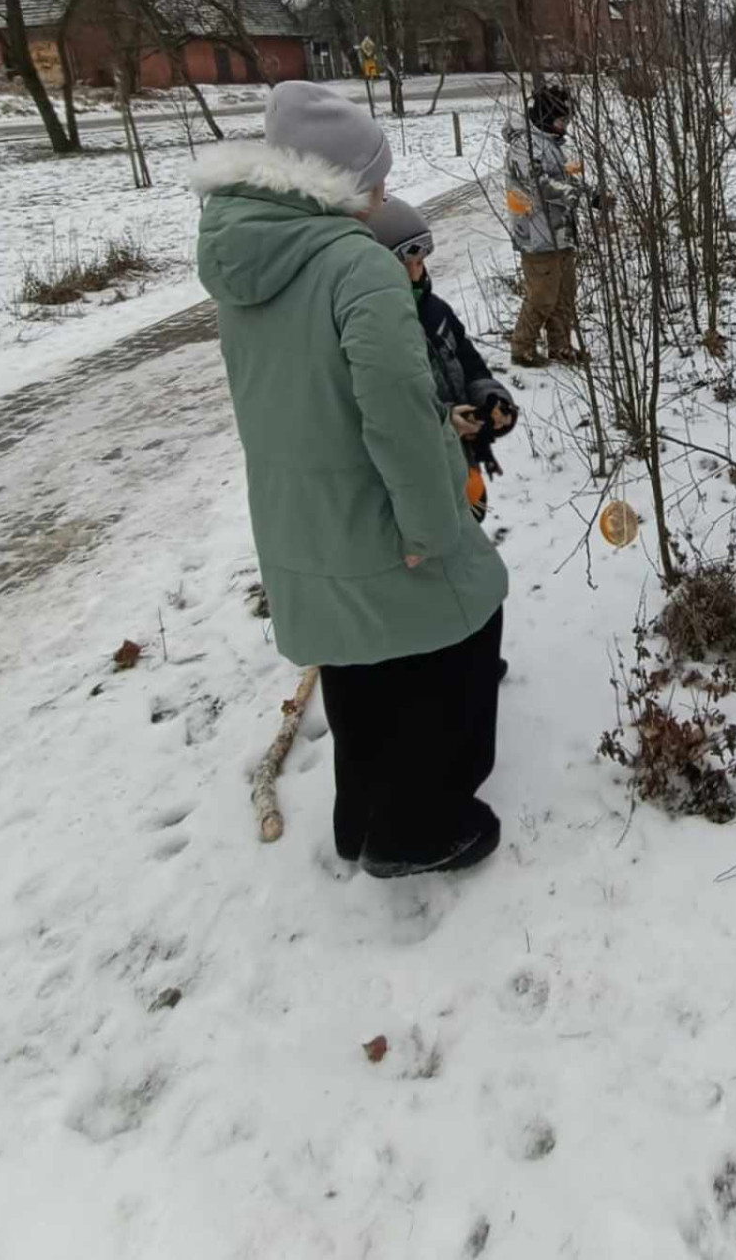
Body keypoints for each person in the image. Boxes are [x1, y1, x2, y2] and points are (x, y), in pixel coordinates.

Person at [193, 82, 508, 879]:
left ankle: (362, 815)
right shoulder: (356, 265)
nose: (384, 191)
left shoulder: (248, 259)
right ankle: (418, 828)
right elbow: (398, 412)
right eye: (375, 176)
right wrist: (430, 524)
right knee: (462, 630)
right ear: (336, 179)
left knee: (354, 656)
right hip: (373, 502)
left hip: (299, 512)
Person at [367, 195, 518, 523]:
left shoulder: (436, 311)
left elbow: (470, 363)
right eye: (402, 266)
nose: (414, 276)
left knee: (470, 531)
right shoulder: (374, 332)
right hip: (416, 479)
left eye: (419, 263)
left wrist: (490, 401)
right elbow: (387, 409)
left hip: (461, 461)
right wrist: (445, 420)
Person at [503, 83, 590, 368]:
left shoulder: (552, 144)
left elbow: (563, 179)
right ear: (545, 117)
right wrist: (572, 195)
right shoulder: (524, 146)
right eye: (561, 119)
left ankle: (560, 346)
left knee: (565, 294)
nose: (565, 125)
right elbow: (539, 184)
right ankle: (522, 347)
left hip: (561, 230)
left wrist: (591, 195)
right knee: (542, 295)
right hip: (538, 234)